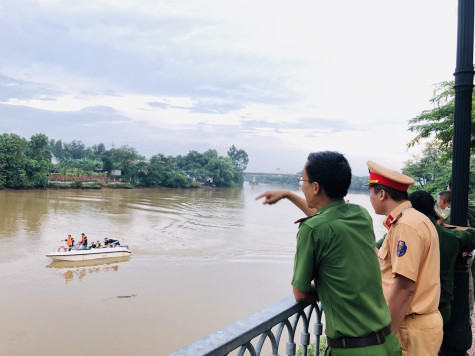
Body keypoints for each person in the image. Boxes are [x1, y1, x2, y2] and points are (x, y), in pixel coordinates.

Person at [257, 151, 401, 356]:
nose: (301, 185)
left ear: (315, 187)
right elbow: (327, 218)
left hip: (352, 351)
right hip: (388, 344)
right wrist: (288, 195)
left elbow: (300, 293)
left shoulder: (311, 230)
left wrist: (328, 288)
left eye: (303, 180)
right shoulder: (360, 214)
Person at [366, 160, 442, 356]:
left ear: (381, 194)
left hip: (409, 327)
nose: (370, 198)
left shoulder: (405, 226)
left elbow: (404, 287)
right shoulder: (414, 219)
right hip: (416, 324)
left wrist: (386, 336)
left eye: (371, 192)